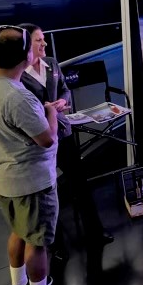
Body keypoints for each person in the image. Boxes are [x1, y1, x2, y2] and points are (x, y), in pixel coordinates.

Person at [18, 23, 113, 257]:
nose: (44, 43)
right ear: (27, 44)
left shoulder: (51, 63)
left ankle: (96, 231)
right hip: (40, 140)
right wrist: (46, 109)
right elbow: (22, 108)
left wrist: (61, 101)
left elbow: (65, 89)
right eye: (39, 40)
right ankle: (55, 244)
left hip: (63, 133)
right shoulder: (19, 75)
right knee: (48, 193)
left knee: (80, 184)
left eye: (43, 39)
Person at [0, 25, 59, 285]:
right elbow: (46, 139)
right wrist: (50, 111)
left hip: (3, 181)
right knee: (37, 244)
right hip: (31, 184)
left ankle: (17, 284)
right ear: (23, 58)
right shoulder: (19, 97)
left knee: (18, 232)